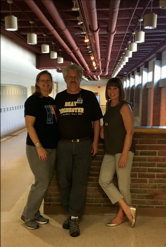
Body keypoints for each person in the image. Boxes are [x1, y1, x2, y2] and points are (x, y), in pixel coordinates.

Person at [55, 64, 103, 237]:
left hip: (84, 145)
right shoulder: (59, 98)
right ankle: (71, 211)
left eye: (76, 76)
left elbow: (97, 121)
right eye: (70, 77)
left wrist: (95, 142)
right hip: (63, 145)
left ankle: (74, 217)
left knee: (80, 181)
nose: (73, 79)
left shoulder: (89, 97)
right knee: (64, 180)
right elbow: (53, 121)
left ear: (80, 78)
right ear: (65, 79)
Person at [21, 70, 59, 230]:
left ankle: (35, 212)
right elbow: (29, 125)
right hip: (37, 148)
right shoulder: (32, 101)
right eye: (42, 80)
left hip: (52, 147)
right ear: (37, 83)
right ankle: (27, 214)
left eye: (48, 80)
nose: (45, 83)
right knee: (41, 182)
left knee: (44, 182)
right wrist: (39, 147)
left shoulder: (51, 101)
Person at [99, 77, 136, 228]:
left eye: (115, 88)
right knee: (104, 180)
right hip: (110, 149)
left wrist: (125, 155)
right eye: (109, 88)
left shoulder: (124, 106)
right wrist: (103, 129)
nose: (112, 91)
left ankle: (121, 215)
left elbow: (130, 132)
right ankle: (128, 208)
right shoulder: (109, 105)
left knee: (123, 185)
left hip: (123, 150)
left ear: (120, 90)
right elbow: (109, 124)